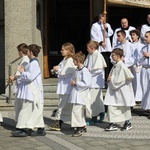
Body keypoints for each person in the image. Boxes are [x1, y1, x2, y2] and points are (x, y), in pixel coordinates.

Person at [11, 44, 46, 137]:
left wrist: (22, 72)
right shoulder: (32, 63)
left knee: (25, 110)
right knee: (35, 110)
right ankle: (41, 128)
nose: (27, 53)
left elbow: (30, 77)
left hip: (32, 91)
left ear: (30, 52)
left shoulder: (34, 63)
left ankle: (23, 129)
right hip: (29, 91)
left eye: (28, 51)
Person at [104, 48, 135, 131]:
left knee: (123, 107)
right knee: (112, 106)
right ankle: (112, 123)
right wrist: (109, 79)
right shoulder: (115, 65)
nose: (111, 56)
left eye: (113, 55)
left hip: (122, 91)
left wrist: (112, 79)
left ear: (118, 56)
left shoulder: (122, 66)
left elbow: (122, 80)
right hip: (115, 92)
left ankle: (128, 122)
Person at [48, 42, 76, 131]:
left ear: (69, 50)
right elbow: (59, 68)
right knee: (63, 105)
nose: (61, 51)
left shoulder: (71, 60)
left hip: (67, 87)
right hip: (63, 86)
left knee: (63, 106)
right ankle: (61, 122)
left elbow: (67, 72)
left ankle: (59, 122)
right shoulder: (65, 59)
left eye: (63, 50)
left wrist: (58, 70)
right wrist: (57, 69)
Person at [68, 51, 92, 137]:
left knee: (77, 111)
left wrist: (76, 83)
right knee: (76, 111)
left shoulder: (84, 71)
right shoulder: (77, 70)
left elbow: (87, 83)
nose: (73, 62)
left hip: (80, 95)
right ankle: (82, 125)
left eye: (74, 60)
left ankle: (80, 127)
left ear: (78, 60)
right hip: (75, 93)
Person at [84, 40, 107, 125]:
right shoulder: (90, 55)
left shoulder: (98, 55)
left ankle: (94, 117)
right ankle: (101, 112)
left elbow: (99, 69)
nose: (87, 50)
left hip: (95, 82)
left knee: (92, 100)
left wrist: (89, 72)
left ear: (92, 48)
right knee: (98, 99)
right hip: (91, 81)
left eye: (88, 48)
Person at [9, 43, 30, 121]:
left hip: (22, 85)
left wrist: (14, 77)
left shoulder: (25, 60)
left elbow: (22, 71)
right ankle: (19, 122)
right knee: (18, 104)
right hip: (21, 84)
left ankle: (21, 123)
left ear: (21, 52)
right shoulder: (24, 60)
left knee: (20, 105)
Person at [90, 13, 113, 81]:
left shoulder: (107, 25)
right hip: (100, 47)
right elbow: (93, 36)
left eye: (103, 18)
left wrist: (106, 28)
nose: (102, 19)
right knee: (100, 63)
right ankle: (100, 78)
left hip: (107, 47)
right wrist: (101, 42)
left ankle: (106, 77)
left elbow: (110, 33)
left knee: (106, 63)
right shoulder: (95, 25)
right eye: (101, 18)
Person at [130, 30, 144, 103]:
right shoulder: (130, 44)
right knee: (133, 81)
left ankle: (139, 97)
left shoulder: (141, 45)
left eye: (134, 35)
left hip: (139, 65)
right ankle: (134, 96)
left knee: (139, 81)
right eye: (131, 35)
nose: (132, 36)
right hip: (132, 64)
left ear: (138, 36)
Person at [139, 31, 150, 118]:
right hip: (144, 69)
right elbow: (139, 59)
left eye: (147, 36)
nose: (145, 38)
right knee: (145, 89)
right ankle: (147, 108)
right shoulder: (143, 48)